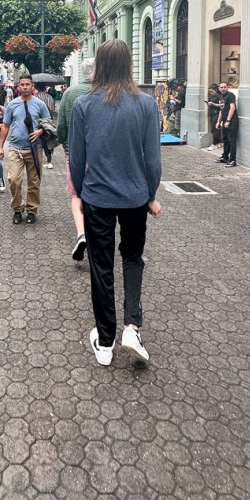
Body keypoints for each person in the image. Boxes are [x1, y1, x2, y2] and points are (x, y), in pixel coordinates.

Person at [68, 41, 162, 367]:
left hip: (98, 197)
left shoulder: (83, 104)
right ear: (128, 64)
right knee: (133, 258)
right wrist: (150, 194)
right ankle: (132, 327)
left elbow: (76, 157)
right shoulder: (146, 104)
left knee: (101, 265)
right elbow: (153, 158)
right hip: (135, 197)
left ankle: (105, 341)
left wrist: (81, 192)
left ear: (100, 66)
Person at [56, 57, 95, 260]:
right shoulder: (105, 91)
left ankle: (81, 234)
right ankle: (95, 232)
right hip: (99, 153)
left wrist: (63, 142)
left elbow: (61, 125)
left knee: (76, 193)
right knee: (97, 191)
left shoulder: (70, 93)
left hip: (74, 151)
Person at [0, 74, 50, 225]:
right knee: (14, 179)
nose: (25, 87)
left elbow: (48, 123)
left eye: (28, 84)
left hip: (35, 148)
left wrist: (40, 131)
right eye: (22, 84)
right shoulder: (12, 104)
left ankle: (32, 210)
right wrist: (0, 147)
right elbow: (5, 126)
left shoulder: (40, 104)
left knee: (34, 181)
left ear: (32, 86)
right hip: (15, 148)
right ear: (18, 87)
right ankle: (17, 208)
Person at [216, 81, 238, 166]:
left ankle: (232, 160)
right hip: (224, 121)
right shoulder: (220, 97)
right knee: (225, 139)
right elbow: (221, 110)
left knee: (232, 140)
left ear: (227, 87)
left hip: (232, 121)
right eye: (221, 87)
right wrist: (218, 122)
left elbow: (232, 108)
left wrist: (228, 120)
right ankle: (225, 157)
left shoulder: (231, 95)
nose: (223, 89)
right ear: (219, 88)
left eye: (225, 87)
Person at [35, 83, 56, 168]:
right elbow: (53, 109)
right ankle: (49, 161)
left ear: (37, 88)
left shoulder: (35, 97)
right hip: (49, 120)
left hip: (39, 121)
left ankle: (38, 159)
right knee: (49, 140)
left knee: (41, 140)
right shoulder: (50, 97)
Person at [205, 83, 223, 151]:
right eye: (210, 92)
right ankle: (218, 142)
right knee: (214, 128)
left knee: (215, 128)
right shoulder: (212, 97)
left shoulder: (219, 96)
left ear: (216, 90)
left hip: (217, 113)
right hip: (212, 113)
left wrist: (213, 104)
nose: (211, 93)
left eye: (212, 91)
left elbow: (221, 105)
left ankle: (215, 143)